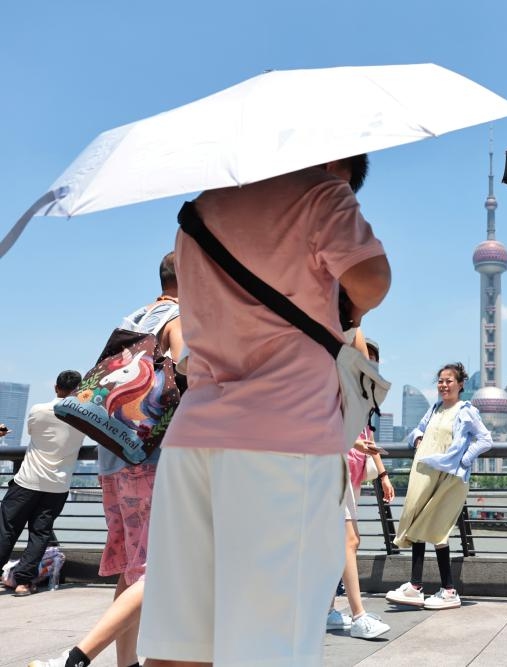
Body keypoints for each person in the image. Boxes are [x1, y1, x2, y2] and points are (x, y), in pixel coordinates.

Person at [136, 154, 390, 667]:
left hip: (192, 438)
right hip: (285, 436)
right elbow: (372, 281)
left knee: (180, 640)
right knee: (273, 645)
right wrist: (347, 308)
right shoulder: (322, 193)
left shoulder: (198, 213)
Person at [29, 252, 184, 667]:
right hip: (149, 456)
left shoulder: (134, 316)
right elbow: (189, 367)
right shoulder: (178, 317)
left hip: (113, 455)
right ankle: (75, 656)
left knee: (133, 569)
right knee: (161, 569)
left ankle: (126, 663)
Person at [385, 362, 493, 611]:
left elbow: (485, 439)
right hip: (425, 472)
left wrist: (465, 459)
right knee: (418, 521)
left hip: (450, 479)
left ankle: (447, 590)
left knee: (437, 527)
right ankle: (417, 586)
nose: (444, 385)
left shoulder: (466, 411)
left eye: (449, 381)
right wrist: (418, 438)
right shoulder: (434, 408)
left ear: (461, 384)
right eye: (441, 381)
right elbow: (417, 431)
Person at [326, 334, 395, 640]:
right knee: (348, 539)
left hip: (343, 467)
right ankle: (358, 615)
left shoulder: (355, 391)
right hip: (331, 464)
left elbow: (366, 435)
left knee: (340, 541)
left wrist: (382, 474)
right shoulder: (337, 383)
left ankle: (327, 610)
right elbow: (327, 422)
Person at [0, 370, 84, 596]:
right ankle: (23, 583)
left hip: (28, 481)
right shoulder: (83, 418)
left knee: (7, 528)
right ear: (79, 390)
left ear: (56, 388)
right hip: (57, 486)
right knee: (40, 533)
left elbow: (33, 432)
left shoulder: (39, 410)